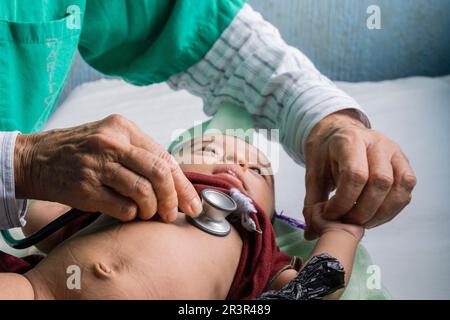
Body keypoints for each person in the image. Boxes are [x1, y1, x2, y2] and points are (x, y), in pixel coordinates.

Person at [0, 1, 416, 240]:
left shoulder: (258, 255)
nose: (229, 167)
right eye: (205, 146)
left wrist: (329, 123)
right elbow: (35, 223)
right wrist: (22, 167)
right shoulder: (93, 214)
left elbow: (197, 26)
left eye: (256, 170)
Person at [0, 134, 363, 300]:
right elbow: (44, 219)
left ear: (268, 210)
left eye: (258, 171)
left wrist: (342, 231)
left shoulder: (256, 241)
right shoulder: (132, 190)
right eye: (208, 149)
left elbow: (316, 289)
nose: (236, 163)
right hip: (38, 290)